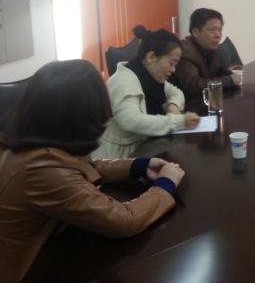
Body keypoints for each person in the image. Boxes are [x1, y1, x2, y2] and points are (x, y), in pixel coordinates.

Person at [0, 60, 186, 283]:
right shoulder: (41, 168)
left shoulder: (37, 140)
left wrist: (138, 166)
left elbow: (78, 168)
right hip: (28, 272)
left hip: (53, 247)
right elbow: (122, 221)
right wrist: (164, 185)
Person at [94, 26, 200, 159]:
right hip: (117, 159)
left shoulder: (150, 77)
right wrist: (179, 121)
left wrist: (172, 106)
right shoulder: (123, 82)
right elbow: (132, 121)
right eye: (171, 63)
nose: (173, 70)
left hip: (143, 150)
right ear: (151, 57)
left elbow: (177, 93)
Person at [172, 8, 241, 101]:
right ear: (196, 32)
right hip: (188, 105)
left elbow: (219, 70)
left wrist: (231, 75)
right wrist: (229, 80)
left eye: (220, 30)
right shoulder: (185, 53)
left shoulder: (211, 48)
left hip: (207, 101)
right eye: (212, 30)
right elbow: (194, 86)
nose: (218, 35)